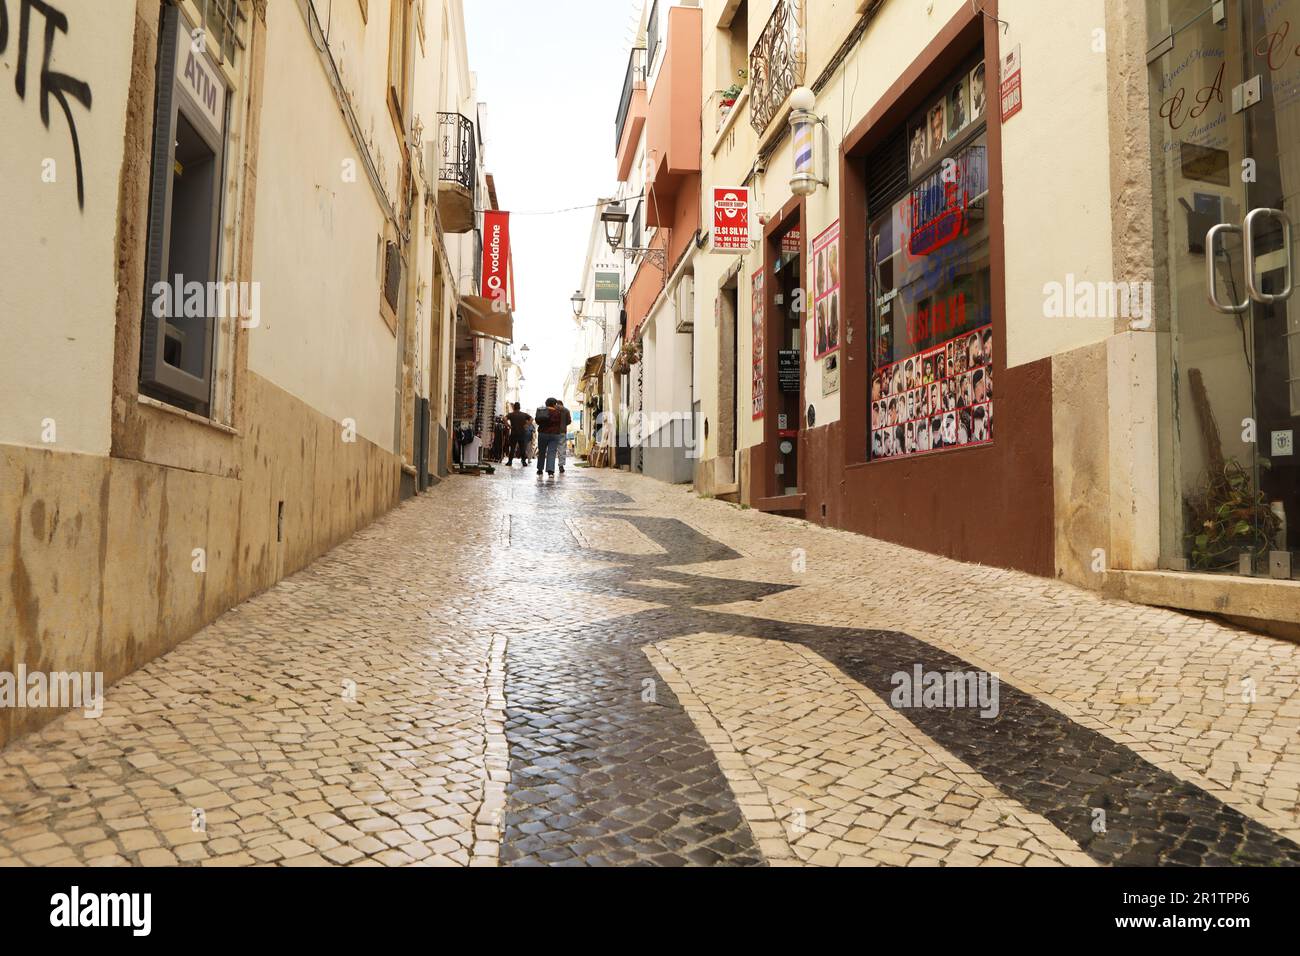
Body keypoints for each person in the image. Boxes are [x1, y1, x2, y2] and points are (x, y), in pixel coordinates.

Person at [534, 398, 566, 477]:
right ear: (554, 404)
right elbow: (560, 422)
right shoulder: (558, 413)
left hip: (543, 433)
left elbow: (537, 421)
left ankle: (540, 470)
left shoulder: (541, 410)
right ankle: (550, 472)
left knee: (541, 451)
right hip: (554, 434)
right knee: (551, 452)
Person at [554, 400, 574, 473]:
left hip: (554, 432)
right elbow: (569, 421)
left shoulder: (554, 409)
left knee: (552, 449)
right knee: (562, 449)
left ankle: (551, 466)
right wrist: (563, 424)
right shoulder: (566, 410)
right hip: (562, 431)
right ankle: (561, 466)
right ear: (562, 404)